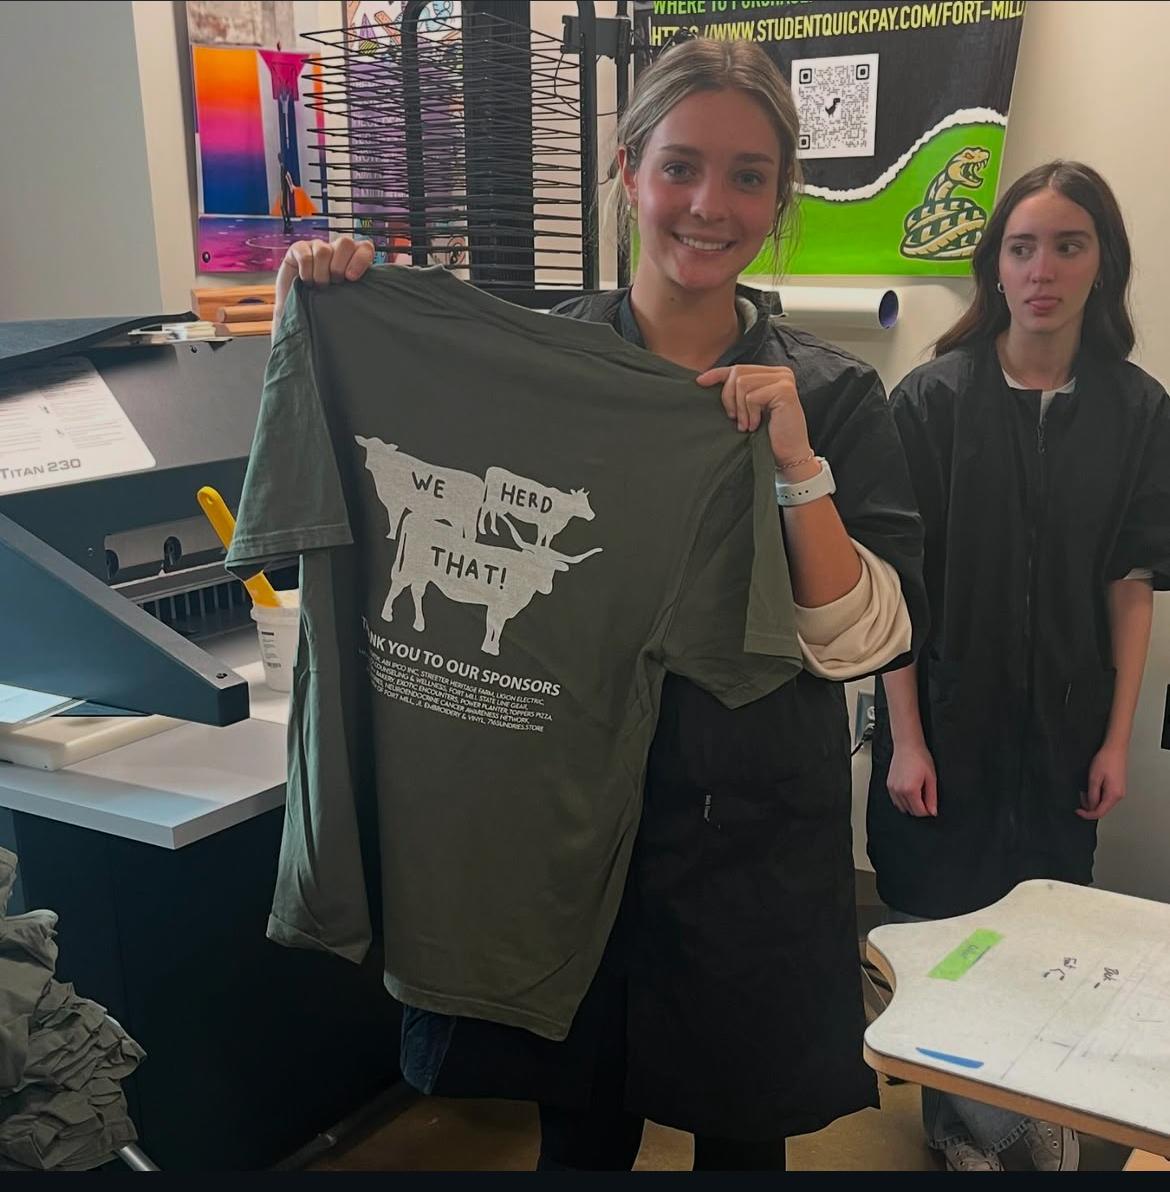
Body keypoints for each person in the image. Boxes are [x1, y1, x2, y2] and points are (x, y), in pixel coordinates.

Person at [271, 38, 926, 1171]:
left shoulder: (832, 393)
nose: (709, 205)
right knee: (577, 1130)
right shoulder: (536, 371)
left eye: (748, 176)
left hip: (749, 836)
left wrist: (793, 462)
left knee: (742, 1137)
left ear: (781, 198)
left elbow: (864, 636)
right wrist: (338, 300)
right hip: (562, 825)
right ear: (627, 170)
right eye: (680, 166)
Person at [868, 161, 1170, 1172]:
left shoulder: (1138, 410)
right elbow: (894, 586)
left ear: (1102, 263)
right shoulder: (930, 401)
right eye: (1022, 247)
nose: (1043, 270)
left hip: (1064, 729)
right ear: (994, 265)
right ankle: (959, 1122)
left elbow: (1133, 581)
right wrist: (905, 739)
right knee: (943, 929)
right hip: (943, 720)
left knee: (1044, 928)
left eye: (1068, 246)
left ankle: (1021, 1112)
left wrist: (1116, 740)